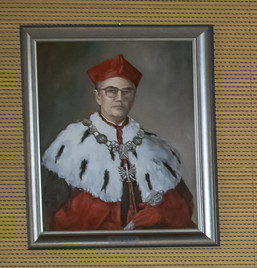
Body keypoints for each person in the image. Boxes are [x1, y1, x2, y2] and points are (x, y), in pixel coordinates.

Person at [40, 55, 195, 231]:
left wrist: (163, 212)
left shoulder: (155, 147)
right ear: (98, 96)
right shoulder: (71, 143)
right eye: (111, 91)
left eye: (126, 92)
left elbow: (185, 207)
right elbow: (52, 211)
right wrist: (102, 210)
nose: (119, 98)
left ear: (134, 97)